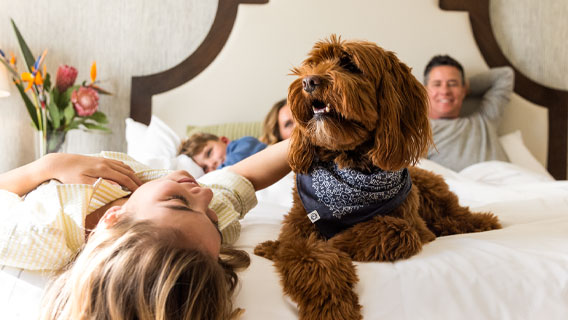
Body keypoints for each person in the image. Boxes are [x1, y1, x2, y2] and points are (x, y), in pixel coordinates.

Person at [0, 140, 290, 320]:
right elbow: (241, 178)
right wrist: (309, 138)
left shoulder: (37, 233)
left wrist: (47, 165)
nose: (205, 196)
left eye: (177, 202)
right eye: (212, 218)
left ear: (113, 218)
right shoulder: (195, 240)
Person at [423, 54, 514, 171]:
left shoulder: (485, 121)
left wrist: (463, 89)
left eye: (452, 83)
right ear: (424, 91)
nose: (445, 91)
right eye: (437, 84)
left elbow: (505, 75)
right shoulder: (419, 134)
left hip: (511, 183)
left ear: (463, 89)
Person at [179, 132, 267, 173]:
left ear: (224, 141)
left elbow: (237, 163)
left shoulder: (246, 142)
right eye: (205, 168)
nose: (211, 164)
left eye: (209, 153)